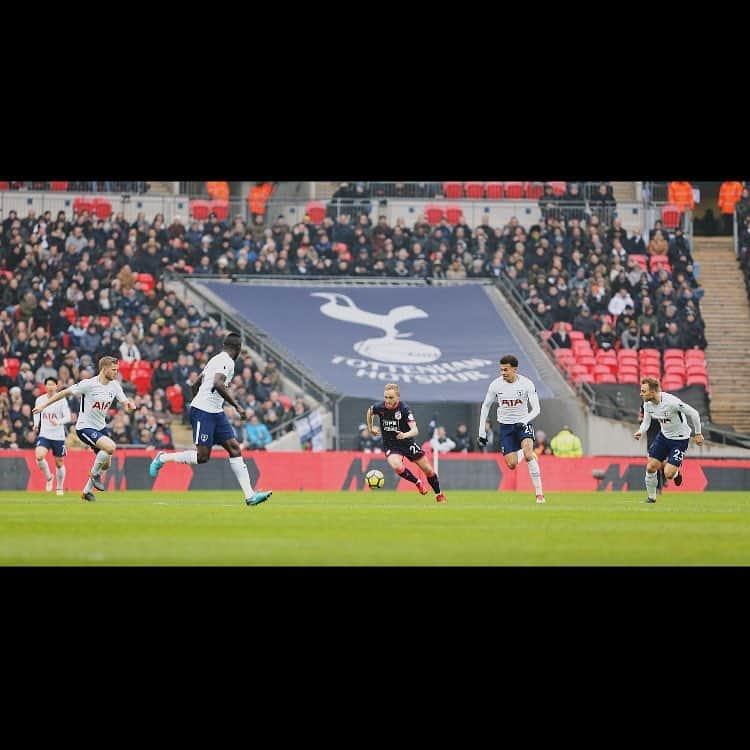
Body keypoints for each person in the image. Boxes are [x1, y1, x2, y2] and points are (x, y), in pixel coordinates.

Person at [148, 332, 272, 506]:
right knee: (202, 456)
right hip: (204, 412)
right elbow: (218, 383)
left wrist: (197, 401)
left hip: (214, 412)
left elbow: (195, 384)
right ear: (237, 349)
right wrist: (236, 406)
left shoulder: (215, 359)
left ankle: (250, 495)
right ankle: (162, 459)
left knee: (234, 448)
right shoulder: (227, 362)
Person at [32, 356, 136, 502]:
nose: (116, 373)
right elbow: (64, 393)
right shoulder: (88, 384)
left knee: (106, 464)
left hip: (101, 427)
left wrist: (129, 405)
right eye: (113, 370)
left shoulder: (115, 385)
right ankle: (94, 475)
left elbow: (124, 401)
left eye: (117, 370)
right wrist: (43, 406)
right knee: (111, 447)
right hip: (84, 427)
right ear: (104, 369)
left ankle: (86, 492)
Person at [477, 354, 546, 503]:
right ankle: (524, 452)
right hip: (505, 426)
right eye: (501, 370)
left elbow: (537, 409)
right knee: (512, 464)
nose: (503, 373)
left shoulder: (527, 384)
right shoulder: (495, 385)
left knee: (529, 455)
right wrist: (481, 431)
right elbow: (486, 406)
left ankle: (539, 494)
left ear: (515, 369)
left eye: (506, 370)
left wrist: (524, 420)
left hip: (523, 423)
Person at [367, 383, 446, 503]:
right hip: (391, 445)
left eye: (391, 398)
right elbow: (370, 411)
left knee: (429, 471)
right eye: (386, 397)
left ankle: (438, 494)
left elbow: (415, 430)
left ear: (398, 397)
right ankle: (417, 482)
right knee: (396, 465)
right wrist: (371, 428)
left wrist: (405, 435)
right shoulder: (380, 407)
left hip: (407, 443)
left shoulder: (404, 409)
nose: (388, 401)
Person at [634, 376, 704, 504]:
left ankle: (676, 473)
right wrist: (640, 431)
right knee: (650, 467)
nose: (641, 393)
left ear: (653, 392)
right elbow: (646, 422)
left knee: (668, 474)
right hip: (664, 437)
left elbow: (694, 413)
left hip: (680, 440)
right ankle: (651, 498)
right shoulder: (647, 404)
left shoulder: (671, 402)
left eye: (644, 391)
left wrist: (698, 433)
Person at [32, 376, 71, 495]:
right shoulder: (40, 400)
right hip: (45, 435)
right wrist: (36, 424)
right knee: (39, 456)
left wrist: (58, 422)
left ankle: (59, 488)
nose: (50, 387)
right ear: (45, 386)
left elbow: (68, 417)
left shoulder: (61, 400)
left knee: (59, 463)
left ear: (56, 386)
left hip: (58, 436)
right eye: (48, 384)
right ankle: (49, 477)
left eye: (52, 384)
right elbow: (36, 412)